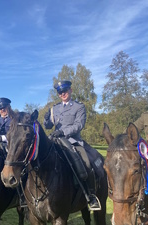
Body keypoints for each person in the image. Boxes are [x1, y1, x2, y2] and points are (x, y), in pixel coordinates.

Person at [44, 80, 101, 211]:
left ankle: (90, 195)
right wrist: (46, 119)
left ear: (70, 90)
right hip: (55, 141)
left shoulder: (78, 107)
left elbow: (79, 125)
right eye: (60, 92)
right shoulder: (55, 108)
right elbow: (48, 126)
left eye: (65, 91)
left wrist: (62, 131)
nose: (62, 94)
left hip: (73, 141)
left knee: (86, 163)